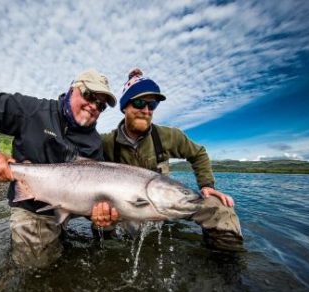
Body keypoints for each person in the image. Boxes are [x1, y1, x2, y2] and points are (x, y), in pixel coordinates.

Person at [0, 69, 117, 267]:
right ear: (72, 89)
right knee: (35, 269)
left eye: (101, 106)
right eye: (89, 96)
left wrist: (99, 216)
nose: (93, 106)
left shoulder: (94, 143)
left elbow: (90, 196)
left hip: (66, 211)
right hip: (31, 208)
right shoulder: (32, 111)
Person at [92, 68, 243, 250]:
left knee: (220, 208)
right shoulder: (105, 142)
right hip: (123, 209)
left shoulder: (169, 136)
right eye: (139, 103)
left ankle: (226, 266)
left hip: (167, 205)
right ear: (125, 107)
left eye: (152, 105)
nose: (146, 110)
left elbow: (199, 153)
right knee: (101, 225)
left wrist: (207, 186)